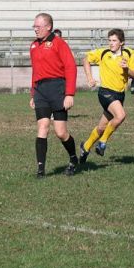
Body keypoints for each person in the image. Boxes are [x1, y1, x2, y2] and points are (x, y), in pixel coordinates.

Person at [29, 13, 78, 178]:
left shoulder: (59, 43)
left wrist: (69, 94)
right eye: (34, 26)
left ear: (48, 26)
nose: (35, 29)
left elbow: (71, 67)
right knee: (42, 127)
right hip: (41, 91)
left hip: (57, 89)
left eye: (38, 26)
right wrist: (32, 93)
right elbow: (35, 71)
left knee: (61, 132)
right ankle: (41, 170)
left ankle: (73, 158)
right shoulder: (33, 46)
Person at [80, 28, 132, 163]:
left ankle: (85, 147)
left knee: (102, 127)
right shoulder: (103, 53)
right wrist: (89, 77)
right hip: (105, 93)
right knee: (120, 116)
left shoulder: (129, 54)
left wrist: (127, 69)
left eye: (114, 40)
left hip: (120, 95)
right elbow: (85, 59)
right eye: (109, 40)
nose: (111, 43)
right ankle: (102, 143)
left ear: (122, 42)